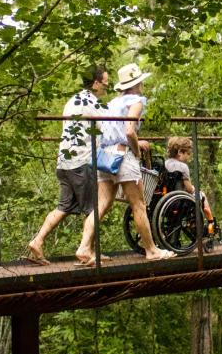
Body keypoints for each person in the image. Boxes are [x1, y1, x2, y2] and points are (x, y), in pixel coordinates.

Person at [75, 63, 176, 264]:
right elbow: (130, 131)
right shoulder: (137, 101)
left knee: (102, 203)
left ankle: (84, 247)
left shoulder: (111, 103)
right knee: (139, 204)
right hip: (123, 155)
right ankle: (152, 250)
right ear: (137, 83)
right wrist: (137, 152)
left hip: (105, 157)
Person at [25, 66, 109, 266]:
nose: (107, 87)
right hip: (82, 161)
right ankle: (87, 251)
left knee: (64, 207)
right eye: (106, 83)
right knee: (93, 208)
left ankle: (37, 240)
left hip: (64, 161)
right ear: (96, 83)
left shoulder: (72, 101)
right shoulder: (91, 103)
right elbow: (105, 129)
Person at [164, 136, 221, 246]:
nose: (189, 157)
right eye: (188, 153)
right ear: (180, 152)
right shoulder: (183, 167)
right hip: (180, 201)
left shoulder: (165, 164)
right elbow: (189, 188)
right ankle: (210, 224)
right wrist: (195, 188)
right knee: (202, 195)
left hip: (166, 200)